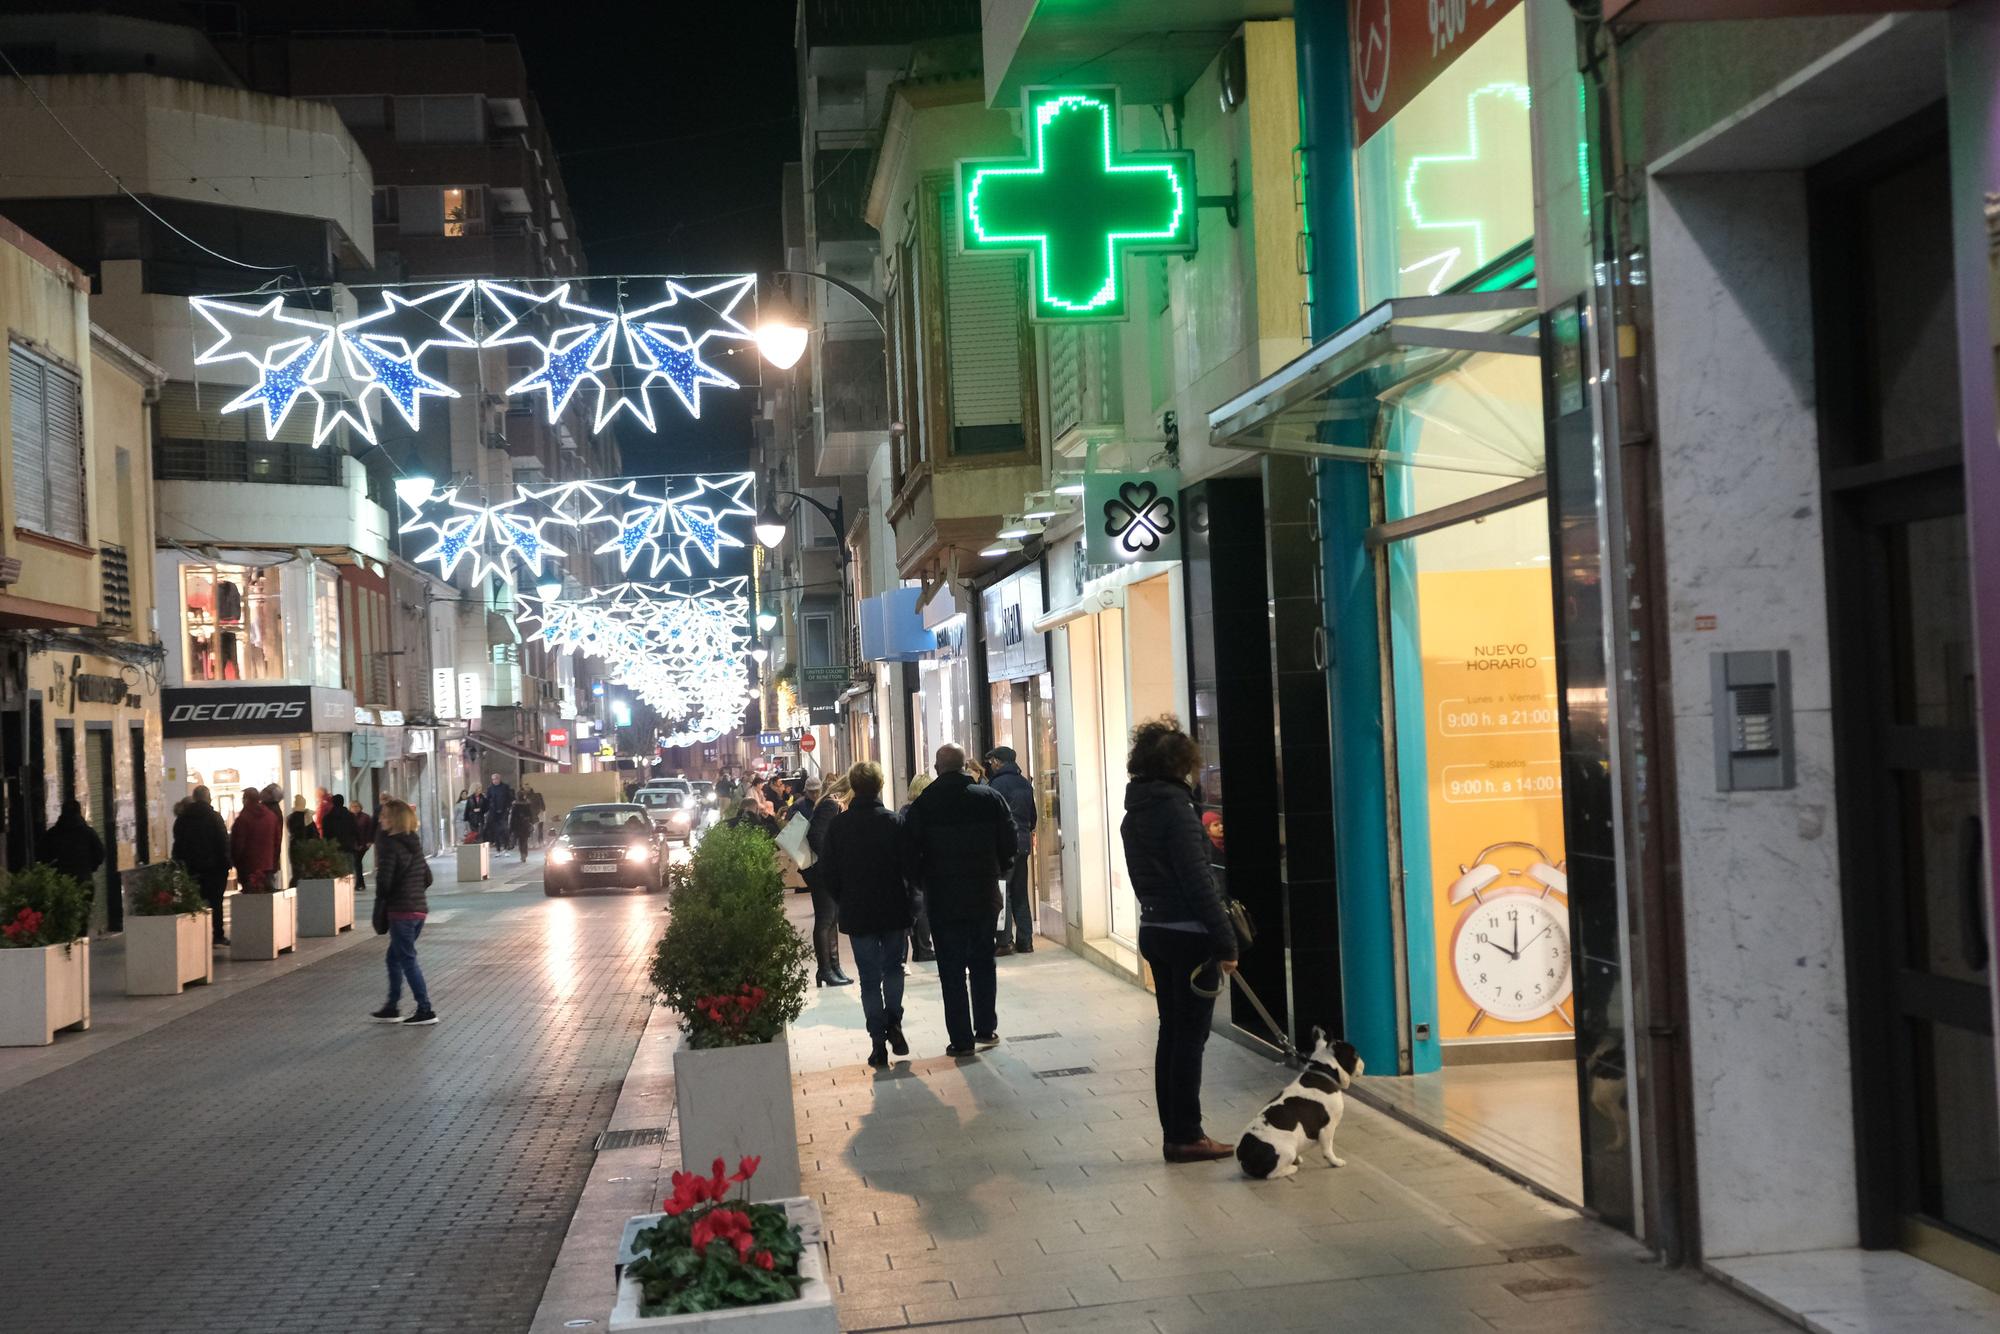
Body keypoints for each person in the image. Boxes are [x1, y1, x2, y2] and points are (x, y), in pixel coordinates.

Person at [1121, 717, 1240, 1164]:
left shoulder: (1137, 811)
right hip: (1190, 936)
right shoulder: (1177, 810)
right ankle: (1188, 1134)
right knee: (1190, 1039)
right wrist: (1226, 943)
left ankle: (1176, 1132)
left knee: (1171, 1034)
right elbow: (1198, 881)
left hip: (1155, 928)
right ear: (1180, 765)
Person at [901, 743, 1017, 1058]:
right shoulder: (989, 797)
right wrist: (998, 868)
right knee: (982, 961)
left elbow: (910, 855)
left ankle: (962, 1039)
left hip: (943, 898)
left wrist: (922, 882)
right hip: (983, 893)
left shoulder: (924, 805)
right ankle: (985, 1028)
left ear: (937, 769)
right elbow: (1009, 841)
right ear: (965, 766)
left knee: (950, 969)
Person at [820, 761, 912, 1068]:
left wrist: (843, 898)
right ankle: (894, 1022)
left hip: (858, 911)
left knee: (869, 979)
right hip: (893, 908)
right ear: (880, 785)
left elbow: (828, 872)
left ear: (853, 787)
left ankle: (877, 1042)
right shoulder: (893, 821)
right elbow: (909, 867)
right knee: (894, 968)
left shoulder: (839, 826)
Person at [369, 799, 437, 1026]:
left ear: (395, 819)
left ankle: (425, 1009)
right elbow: (427, 877)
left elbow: (384, 882)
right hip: (418, 910)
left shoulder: (390, 845)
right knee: (394, 957)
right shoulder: (414, 844)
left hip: (401, 912)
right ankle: (392, 1006)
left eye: (384, 816)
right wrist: (413, 892)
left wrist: (386, 899)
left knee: (407, 959)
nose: (380, 819)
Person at [984, 747, 1038, 955]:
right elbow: (1032, 816)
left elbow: (992, 817)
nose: (991, 766)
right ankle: (1026, 941)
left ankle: (1004, 942)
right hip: (1023, 844)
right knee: (1020, 892)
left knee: (1003, 891)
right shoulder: (1025, 783)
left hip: (1004, 845)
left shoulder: (997, 785)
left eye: (992, 762)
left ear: (998, 762)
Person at [802, 775, 852, 987]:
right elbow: (816, 836)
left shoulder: (829, 803)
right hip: (821, 872)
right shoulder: (831, 804)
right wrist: (831, 862)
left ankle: (834, 966)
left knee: (831, 919)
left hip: (824, 871)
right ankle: (825, 969)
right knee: (826, 919)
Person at [172, 785, 231, 943]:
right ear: (207, 797)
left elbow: (178, 845)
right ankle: (217, 934)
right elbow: (223, 841)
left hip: (192, 868)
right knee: (216, 902)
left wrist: (181, 865)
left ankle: (195, 935)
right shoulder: (214, 817)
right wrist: (227, 863)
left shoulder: (182, 820)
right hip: (214, 869)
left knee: (194, 901)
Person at [898, 773, 936, 962]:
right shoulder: (926, 811)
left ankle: (919, 949)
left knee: (915, 906)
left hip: (909, 865)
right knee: (922, 908)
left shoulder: (904, 811)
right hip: (924, 865)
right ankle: (924, 949)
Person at [39, 798, 104, 893]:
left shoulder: (52, 834)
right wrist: (89, 867)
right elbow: (100, 854)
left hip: (60, 882)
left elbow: (42, 856)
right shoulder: (88, 833)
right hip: (84, 880)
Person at [322, 794, 362, 887]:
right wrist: (359, 842)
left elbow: (325, 835)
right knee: (349, 871)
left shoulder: (327, 818)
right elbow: (355, 830)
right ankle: (348, 890)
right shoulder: (350, 816)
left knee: (336, 872)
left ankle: (339, 890)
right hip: (348, 846)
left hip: (334, 848)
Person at [286, 795, 314, 886]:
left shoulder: (289, 818)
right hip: (305, 845)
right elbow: (313, 833)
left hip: (294, 845)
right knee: (305, 871)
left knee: (296, 871)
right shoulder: (307, 817)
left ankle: (294, 889)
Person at [484, 772, 515, 852]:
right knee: (496, 830)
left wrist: (508, 807)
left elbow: (510, 798)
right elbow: (487, 799)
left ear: (499, 779)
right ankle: (498, 847)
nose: (494, 781)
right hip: (494, 812)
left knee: (504, 829)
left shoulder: (505, 787)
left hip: (504, 811)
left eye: (496, 779)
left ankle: (506, 845)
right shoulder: (490, 788)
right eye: (493, 779)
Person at [510, 796, 536, 861]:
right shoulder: (527, 805)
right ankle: (524, 854)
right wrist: (532, 823)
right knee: (524, 841)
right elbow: (531, 816)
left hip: (517, 826)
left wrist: (511, 828)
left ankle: (522, 854)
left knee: (520, 841)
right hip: (525, 825)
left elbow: (512, 818)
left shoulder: (515, 806)